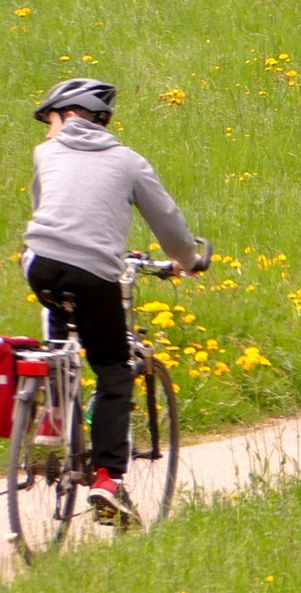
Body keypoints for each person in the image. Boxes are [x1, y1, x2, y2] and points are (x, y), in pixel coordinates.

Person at [21, 78, 202, 522]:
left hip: (39, 265)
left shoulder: (46, 155)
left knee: (59, 331)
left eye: (51, 120)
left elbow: (50, 209)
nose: (47, 131)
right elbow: (169, 224)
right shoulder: (129, 163)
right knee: (114, 367)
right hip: (94, 272)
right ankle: (107, 479)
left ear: (70, 114)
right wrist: (189, 259)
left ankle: (56, 413)